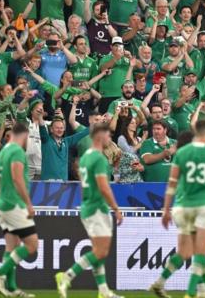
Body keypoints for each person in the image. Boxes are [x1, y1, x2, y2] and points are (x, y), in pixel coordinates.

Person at [152, 120, 205, 298]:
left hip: (181, 207)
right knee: (201, 253)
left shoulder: (181, 153)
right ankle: (192, 293)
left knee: (186, 252)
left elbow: (171, 184)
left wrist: (166, 209)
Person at [56, 124, 124, 298]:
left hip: (87, 206)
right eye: (108, 134)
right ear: (99, 136)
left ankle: (103, 290)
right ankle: (67, 276)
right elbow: (104, 187)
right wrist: (116, 208)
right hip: (97, 207)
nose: (110, 138)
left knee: (98, 250)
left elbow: (83, 184)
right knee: (101, 251)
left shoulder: (86, 157)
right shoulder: (99, 159)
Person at [0, 122, 37, 298]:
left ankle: (12, 288)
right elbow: (18, 179)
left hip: (2, 203)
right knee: (32, 244)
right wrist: (28, 203)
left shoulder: (3, 151)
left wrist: (0, 197)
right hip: (14, 203)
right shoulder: (17, 151)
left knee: (12, 245)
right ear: (23, 135)